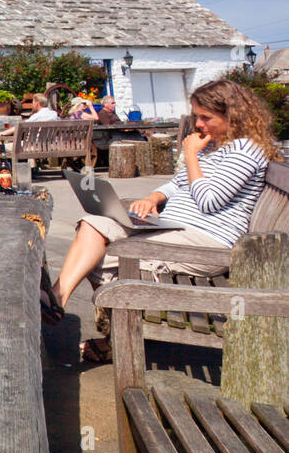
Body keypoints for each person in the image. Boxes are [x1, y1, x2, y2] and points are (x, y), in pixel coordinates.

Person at [44, 79, 279, 363]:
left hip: (205, 242)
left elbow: (209, 201)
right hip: (172, 228)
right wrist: (154, 198)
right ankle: (58, 300)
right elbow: (178, 184)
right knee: (94, 222)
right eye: (196, 117)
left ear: (233, 116)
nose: (199, 124)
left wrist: (190, 154)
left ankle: (119, 337)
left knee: (100, 255)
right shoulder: (212, 146)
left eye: (206, 117)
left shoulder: (245, 150)